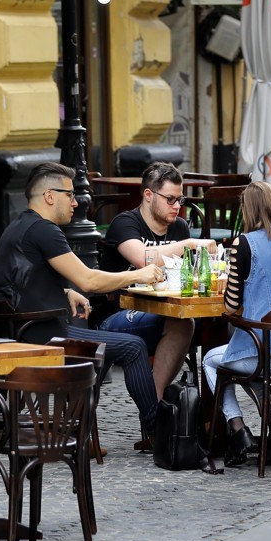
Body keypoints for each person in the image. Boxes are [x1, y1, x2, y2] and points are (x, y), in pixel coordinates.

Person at [0, 162, 163, 437]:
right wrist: (138, 274)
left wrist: (65, 292)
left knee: (103, 345)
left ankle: (76, 423)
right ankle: (157, 432)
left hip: (21, 333)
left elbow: (17, 280)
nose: (76, 202)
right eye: (69, 194)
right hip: (44, 339)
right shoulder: (45, 230)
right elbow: (89, 280)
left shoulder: (18, 227)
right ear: (49, 196)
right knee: (133, 346)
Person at [201, 182, 271, 467]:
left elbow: (230, 307)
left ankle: (237, 428)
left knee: (212, 361)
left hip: (260, 355)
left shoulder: (244, 244)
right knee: (258, 359)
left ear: (248, 210)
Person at [95, 162, 218, 398]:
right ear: (149, 195)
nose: (176, 206)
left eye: (180, 200)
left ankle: (213, 417)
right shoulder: (125, 223)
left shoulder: (179, 227)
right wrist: (189, 244)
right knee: (183, 323)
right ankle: (156, 405)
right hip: (119, 314)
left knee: (220, 322)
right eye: (170, 199)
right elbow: (143, 259)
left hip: (166, 310)